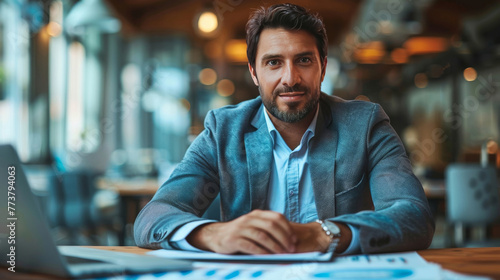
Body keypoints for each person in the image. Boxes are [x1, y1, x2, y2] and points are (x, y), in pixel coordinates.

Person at [134, 3, 434, 255]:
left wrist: (322, 235)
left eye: (303, 60)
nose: (290, 78)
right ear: (254, 72)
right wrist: (214, 235)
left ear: (323, 67)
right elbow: (152, 218)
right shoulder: (222, 130)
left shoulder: (366, 125)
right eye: (274, 63)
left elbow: (414, 217)